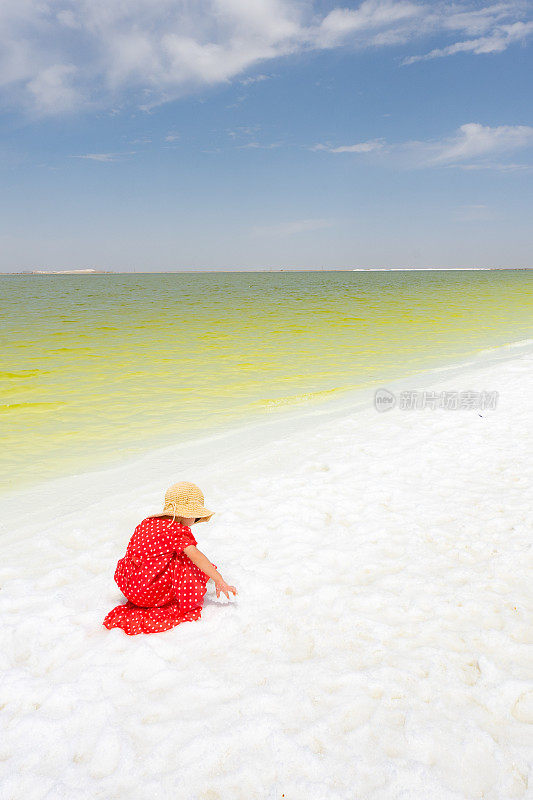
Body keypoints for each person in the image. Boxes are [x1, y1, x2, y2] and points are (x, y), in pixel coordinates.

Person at [103, 481, 237, 635]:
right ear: (185, 513)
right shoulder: (176, 531)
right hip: (149, 596)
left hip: (130, 588)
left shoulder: (147, 523)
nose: (195, 522)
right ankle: (173, 595)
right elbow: (197, 557)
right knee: (186, 558)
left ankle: (149, 590)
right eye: (196, 517)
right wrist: (219, 580)